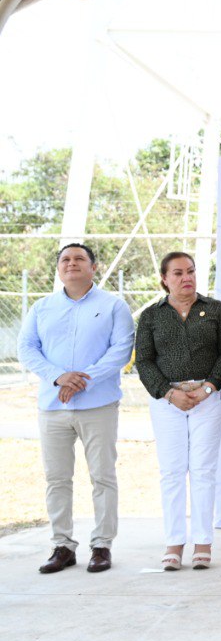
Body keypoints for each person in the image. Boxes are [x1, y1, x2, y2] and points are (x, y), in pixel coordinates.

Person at [18, 243, 134, 574]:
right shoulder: (42, 308)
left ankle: (102, 545)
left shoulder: (113, 306)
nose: (72, 263)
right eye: (65, 259)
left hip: (98, 405)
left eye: (79, 258)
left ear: (93, 267)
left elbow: (121, 350)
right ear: (58, 269)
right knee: (57, 478)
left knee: (102, 476)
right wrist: (59, 377)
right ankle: (63, 546)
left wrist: (82, 380)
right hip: (52, 406)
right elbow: (27, 348)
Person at [134, 251, 221, 570]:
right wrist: (169, 393)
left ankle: (203, 543)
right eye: (178, 273)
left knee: (203, 470)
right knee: (172, 472)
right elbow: (144, 361)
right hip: (167, 403)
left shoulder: (215, 309)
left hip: (208, 400)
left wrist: (207, 389)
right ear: (164, 279)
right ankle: (174, 543)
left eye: (190, 271)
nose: (186, 277)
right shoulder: (151, 316)